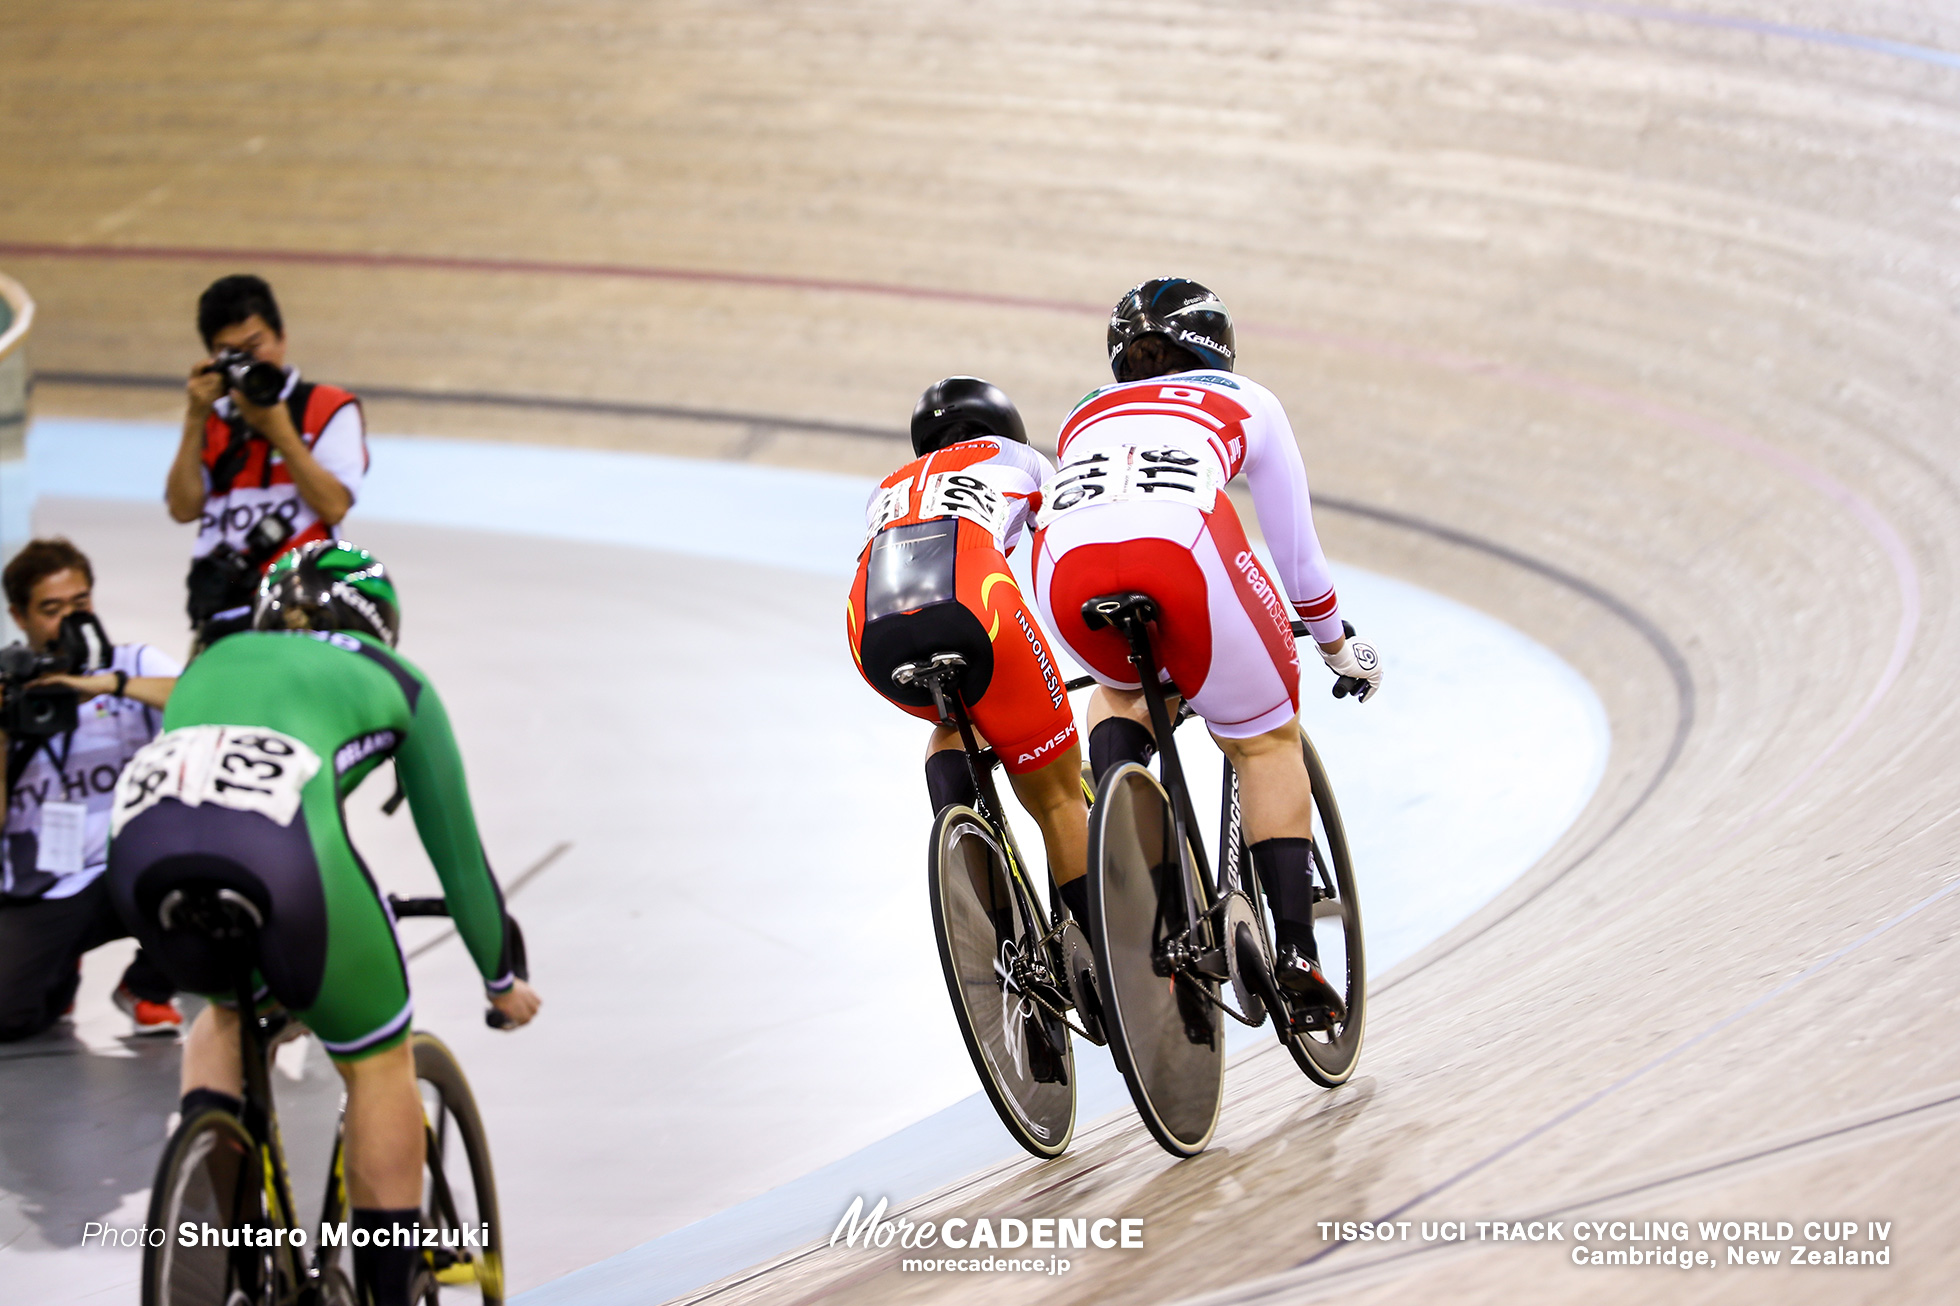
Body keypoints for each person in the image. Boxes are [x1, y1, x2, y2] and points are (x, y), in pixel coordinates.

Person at [107, 540, 540, 1306]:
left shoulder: (212, 659)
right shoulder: (395, 681)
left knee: (224, 1015)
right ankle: (385, 1286)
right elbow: (461, 865)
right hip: (283, 863)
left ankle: (231, 1230)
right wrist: (501, 980)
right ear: (382, 625)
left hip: (143, 859)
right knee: (378, 1060)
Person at [1031, 278, 1383, 1031]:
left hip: (1065, 572)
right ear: (1216, 344)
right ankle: (1294, 958)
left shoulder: (1081, 414)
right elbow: (1297, 558)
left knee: (1123, 684)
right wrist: (1335, 645)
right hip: (1183, 555)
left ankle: (1118, 792)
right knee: (1264, 741)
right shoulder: (1247, 399)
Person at [847, 379, 1090, 1068]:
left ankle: (968, 842)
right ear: (1005, 425)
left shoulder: (887, 486)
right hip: (980, 612)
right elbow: (1058, 568)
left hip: (871, 633)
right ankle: (1098, 961)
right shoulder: (1022, 461)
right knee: (1055, 792)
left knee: (954, 722)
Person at [0, 538, 183, 1039]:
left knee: (222, 865)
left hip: (131, 866)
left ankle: (145, 987)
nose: (68, 622)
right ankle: (59, 972)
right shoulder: (6, 689)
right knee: (12, 1018)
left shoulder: (133, 662)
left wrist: (107, 684)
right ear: (19, 616)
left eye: (80, 605)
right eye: (50, 610)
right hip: (45, 883)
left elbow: (207, 696)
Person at [164, 274, 369, 647]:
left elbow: (333, 505)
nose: (247, 360)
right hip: (222, 612)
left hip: (301, 611)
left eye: (255, 345)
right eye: (229, 352)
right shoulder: (212, 417)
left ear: (282, 337)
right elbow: (182, 508)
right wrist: (195, 418)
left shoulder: (328, 408)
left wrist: (278, 430)